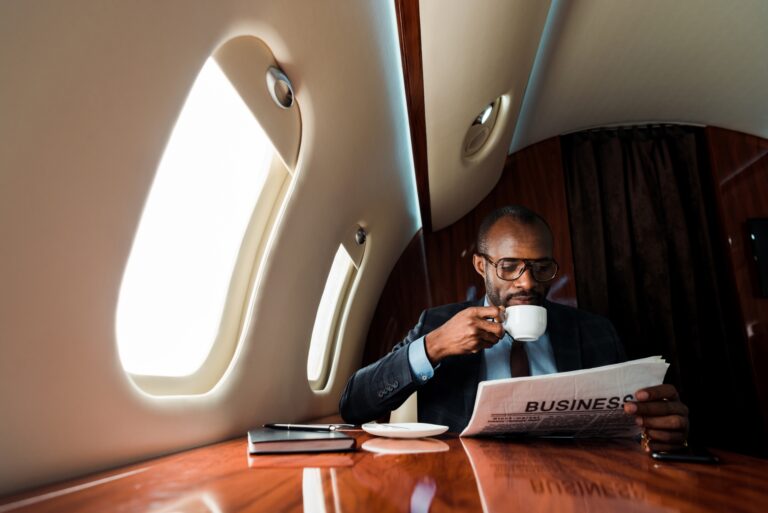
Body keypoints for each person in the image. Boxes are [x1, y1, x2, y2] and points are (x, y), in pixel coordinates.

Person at [339, 205, 689, 451]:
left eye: (540, 267)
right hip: (468, 485)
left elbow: (627, 428)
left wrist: (654, 431)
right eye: (509, 266)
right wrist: (433, 347)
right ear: (481, 265)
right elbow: (354, 405)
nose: (526, 283)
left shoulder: (596, 332)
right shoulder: (437, 323)